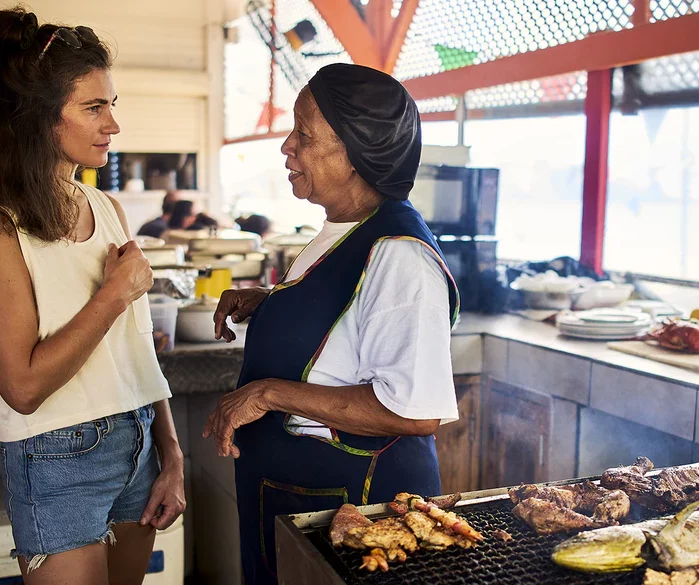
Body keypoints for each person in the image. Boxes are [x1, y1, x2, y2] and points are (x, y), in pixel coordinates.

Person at [202, 63, 460, 585]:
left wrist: (268, 394)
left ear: (355, 150)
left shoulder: (399, 255)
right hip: (295, 497)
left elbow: (412, 412)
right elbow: (345, 326)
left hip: (358, 510)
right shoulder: (347, 229)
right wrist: (273, 302)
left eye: (304, 133)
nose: (287, 147)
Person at [0, 9, 186, 584]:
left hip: (138, 441)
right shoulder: (5, 226)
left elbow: (137, 351)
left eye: (112, 104)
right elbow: (23, 388)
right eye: (93, 107)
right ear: (37, 117)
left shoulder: (104, 207)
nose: (113, 125)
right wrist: (112, 295)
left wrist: (171, 452)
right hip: (55, 454)